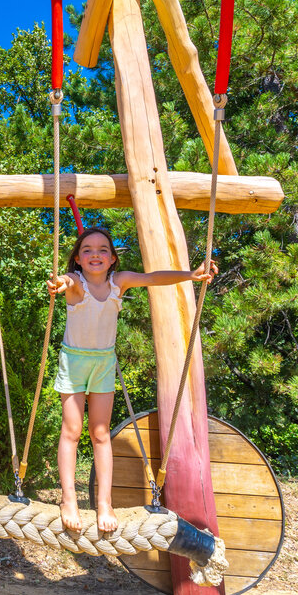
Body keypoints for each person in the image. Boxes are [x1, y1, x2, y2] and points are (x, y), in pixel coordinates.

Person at [47, 228, 215, 533]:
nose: (94, 254)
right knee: (71, 430)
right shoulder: (75, 285)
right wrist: (58, 283)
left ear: (112, 259)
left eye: (102, 250)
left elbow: (152, 278)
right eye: (86, 250)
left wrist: (191, 274)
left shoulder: (118, 282)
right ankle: (68, 498)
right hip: (74, 362)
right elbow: (64, 280)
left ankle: (104, 502)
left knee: (100, 433)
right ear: (77, 259)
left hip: (103, 364)